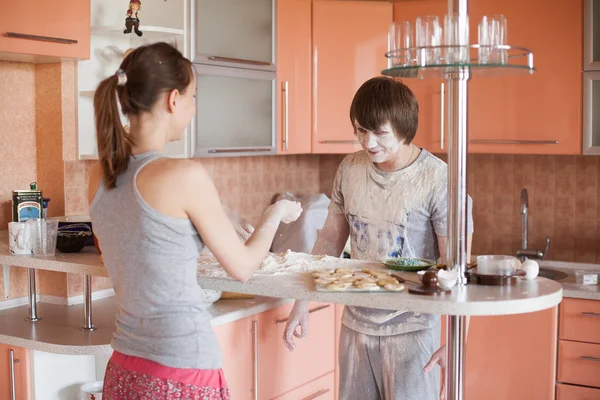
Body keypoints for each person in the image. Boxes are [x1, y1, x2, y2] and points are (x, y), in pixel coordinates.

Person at [88, 42, 302, 399]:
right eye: (193, 96)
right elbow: (243, 267)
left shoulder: (100, 175)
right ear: (174, 100)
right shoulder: (183, 175)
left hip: (124, 365)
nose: (193, 107)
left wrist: (219, 214)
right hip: (181, 366)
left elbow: (142, 237)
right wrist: (276, 213)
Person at [282, 76, 473, 399]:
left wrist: (457, 342)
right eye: (360, 130)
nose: (368, 142)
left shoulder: (440, 180)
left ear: (404, 127)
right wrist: (302, 302)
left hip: (413, 330)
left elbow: (458, 270)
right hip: (356, 325)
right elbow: (329, 241)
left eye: (380, 133)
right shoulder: (350, 169)